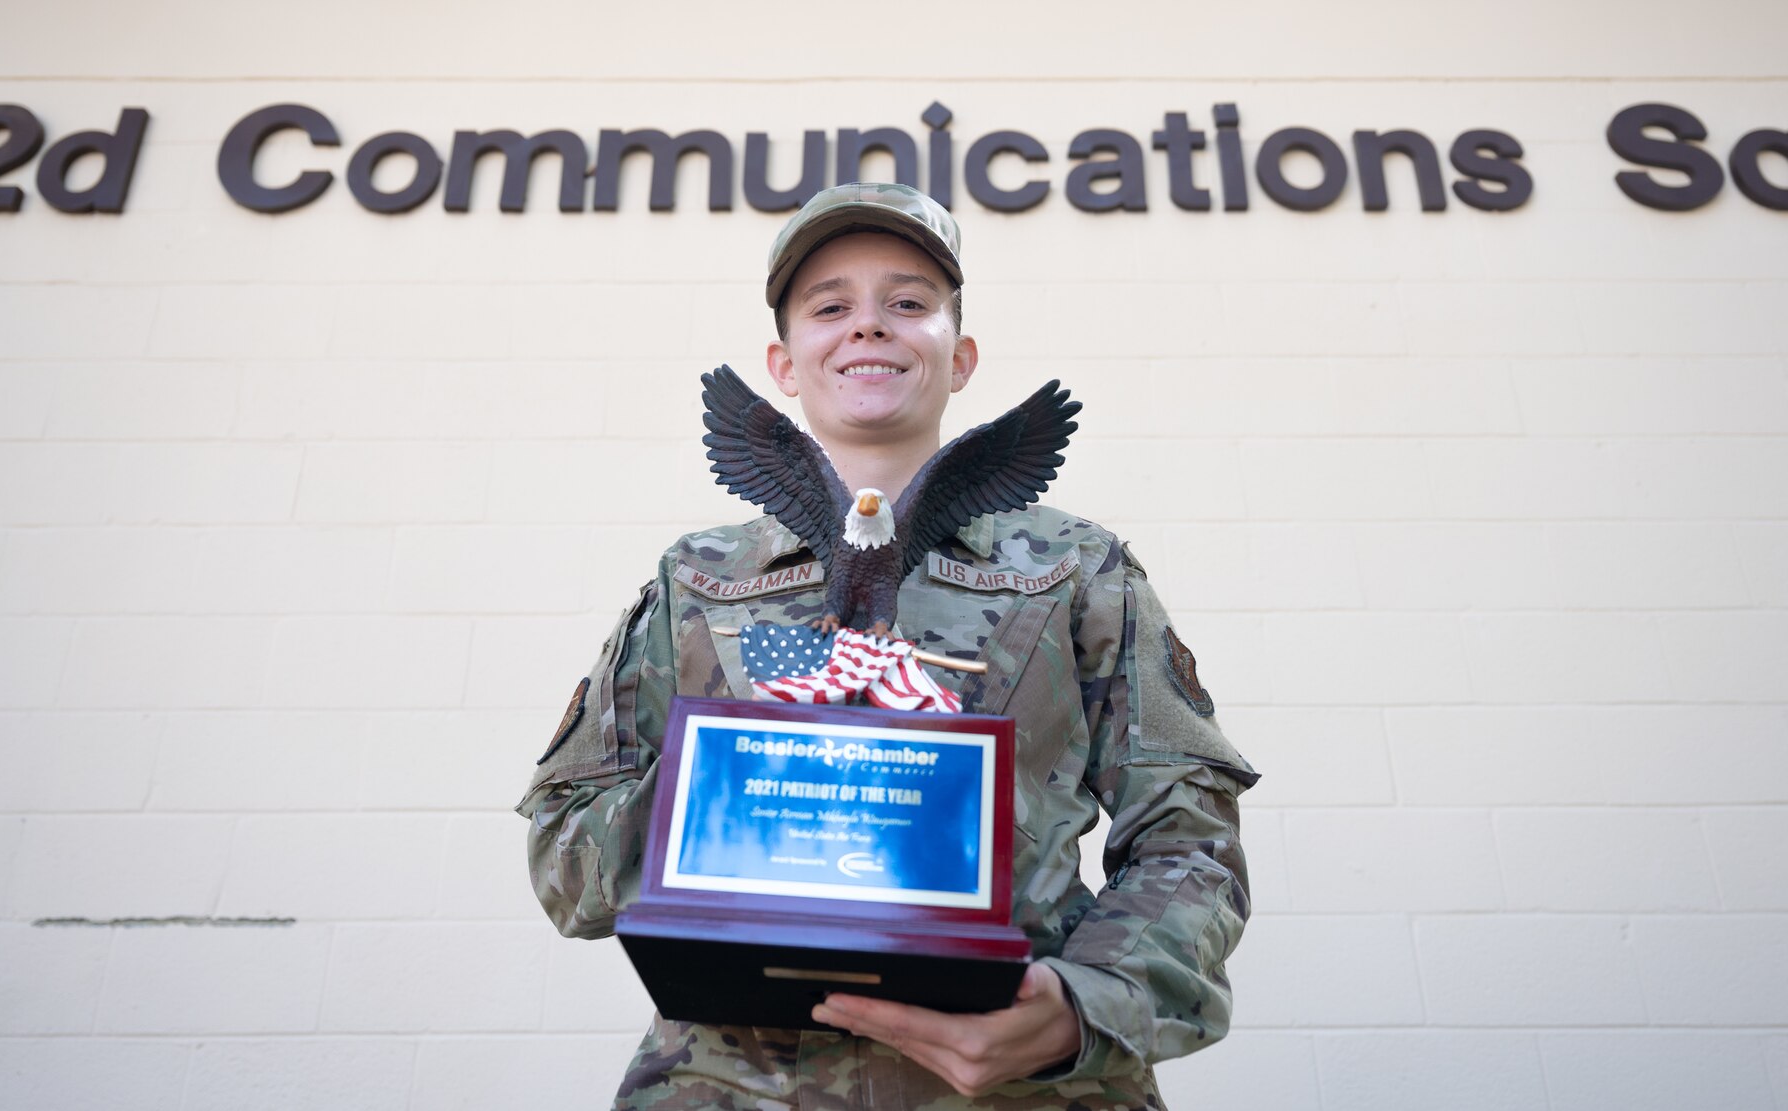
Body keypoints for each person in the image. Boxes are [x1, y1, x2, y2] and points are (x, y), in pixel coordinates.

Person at [516, 182, 1260, 1109]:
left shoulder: (1075, 568)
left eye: (908, 303)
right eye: (831, 306)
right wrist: (743, 788)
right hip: (729, 1085)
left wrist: (1082, 1005)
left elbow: (1188, 840)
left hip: (1028, 1092)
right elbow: (566, 857)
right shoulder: (698, 579)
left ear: (961, 355)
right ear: (786, 364)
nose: (868, 326)